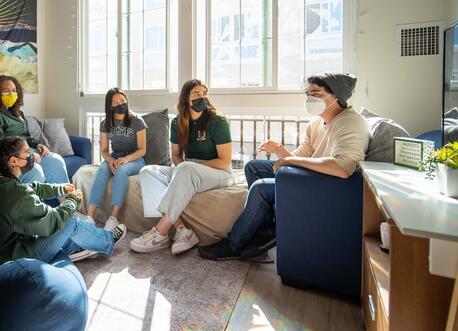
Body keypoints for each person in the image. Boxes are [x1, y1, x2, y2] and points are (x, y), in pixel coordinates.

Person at [198, 72, 371, 261]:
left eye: (316, 94)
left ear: (336, 95)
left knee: (260, 189)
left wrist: (290, 161)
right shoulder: (316, 124)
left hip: (331, 187)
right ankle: (267, 228)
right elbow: (297, 158)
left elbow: (342, 168)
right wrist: (280, 150)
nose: (310, 99)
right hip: (314, 175)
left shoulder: (350, 122)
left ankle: (234, 244)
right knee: (253, 167)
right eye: (308, 94)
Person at [0, 136, 126, 266]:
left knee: (69, 228)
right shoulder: (18, 195)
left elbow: (32, 187)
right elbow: (52, 222)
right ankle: (108, 240)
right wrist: (71, 201)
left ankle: (81, 247)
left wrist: (60, 188)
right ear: (14, 161)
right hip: (9, 258)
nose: (32, 156)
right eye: (27, 153)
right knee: (70, 221)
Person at [129, 79, 234, 255]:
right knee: (147, 171)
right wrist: (182, 168)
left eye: (203, 94)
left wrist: (188, 167)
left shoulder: (218, 121)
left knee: (186, 169)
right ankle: (183, 231)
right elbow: (175, 155)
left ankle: (159, 232)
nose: (202, 97)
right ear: (186, 99)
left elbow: (224, 161)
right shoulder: (177, 122)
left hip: (218, 171)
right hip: (188, 169)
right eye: (196, 94)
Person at [0, 75, 69, 186]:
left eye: (14, 91)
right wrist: (28, 157)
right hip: (5, 159)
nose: (11, 95)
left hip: (23, 153)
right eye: (6, 91)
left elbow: (24, 137)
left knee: (55, 160)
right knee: (35, 171)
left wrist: (37, 144)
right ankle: (30, 203)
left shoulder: (16, 113)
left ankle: (66, 201)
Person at [86, 88, 147, 233]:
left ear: (127, 101)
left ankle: (113, 218)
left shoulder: (137, 121)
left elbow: (142, 150)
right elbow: (105, 150)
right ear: (110, 107)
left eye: (122, 101)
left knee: (121, 170)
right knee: (101, 170)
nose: (120, 104)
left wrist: (125, 160)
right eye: (115, 103)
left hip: (134, 159)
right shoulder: (105, 123)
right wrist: (111, 161)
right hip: (115, 156)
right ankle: (89, 217)